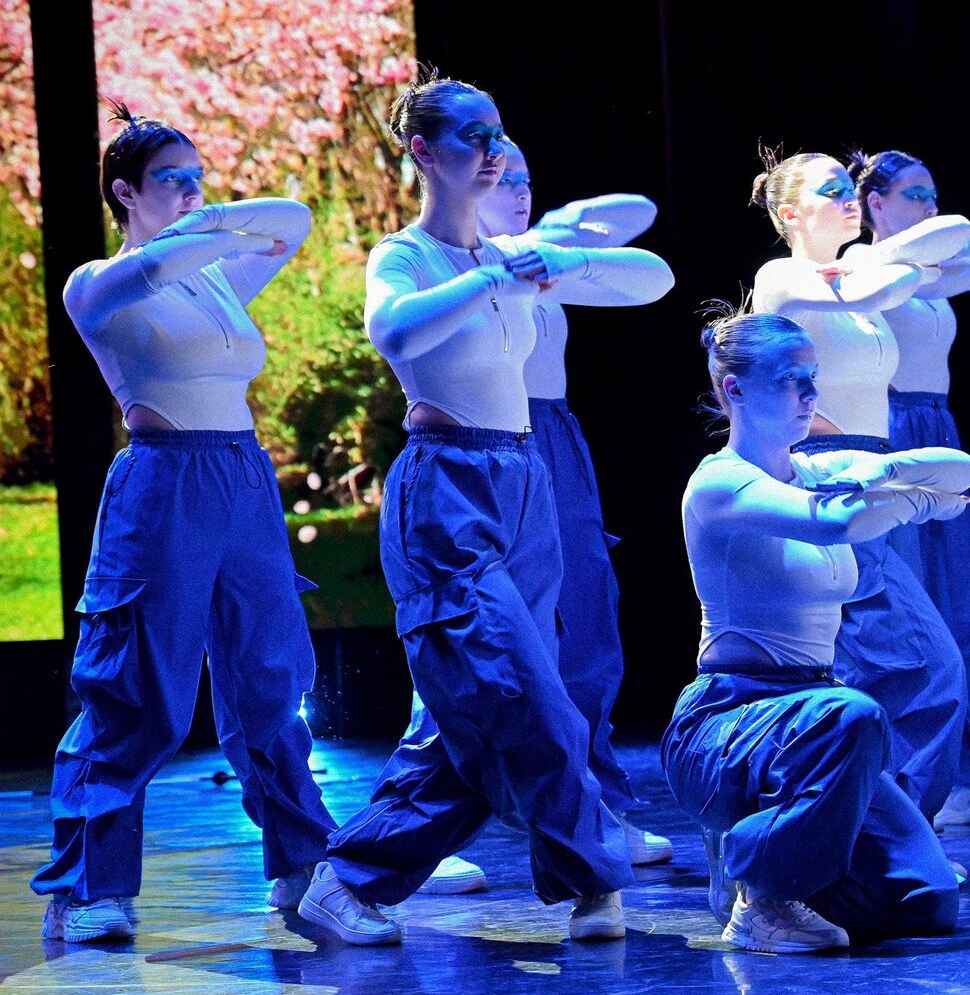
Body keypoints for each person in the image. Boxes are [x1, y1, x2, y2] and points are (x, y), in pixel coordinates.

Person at [297, 75, 631, 944]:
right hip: (447, 486)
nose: (490, 151)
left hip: (524, 485)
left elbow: (652, 277)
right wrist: (488, 275)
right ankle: (590, 877)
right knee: (519, 690)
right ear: (423, 151)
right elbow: (396, 333)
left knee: (488, 706)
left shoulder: (513, 254)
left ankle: (347, 880)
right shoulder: (405, 256)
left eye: (497, 133)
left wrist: (558, 261)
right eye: (472, 136)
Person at [34, 104, 336, 943]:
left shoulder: (213, 278)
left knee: (269, 678)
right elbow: (161, 263)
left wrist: (211, 216)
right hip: (163, 483)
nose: (194, 191)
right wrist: (211, 230)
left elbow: (291, 219)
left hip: (242, 479)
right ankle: (87, 889)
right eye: (171, 179)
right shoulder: (97, 283)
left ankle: (301, 859)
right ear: (124, 193)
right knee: (136, 691)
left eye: (199, 176)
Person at [378, 140, 676, 895]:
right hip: (476, 445)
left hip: (546, 442)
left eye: (524, 178)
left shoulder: (533, 257)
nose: (515, 189)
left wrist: (556, 240)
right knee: (475, 650)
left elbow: (638, 222)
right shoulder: (440, 263)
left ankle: (594, 804)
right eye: (497, 176)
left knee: (585, 627)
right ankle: (424, 831)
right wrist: (506, 250)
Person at [664, 308, 965, 951]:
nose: (810, 393)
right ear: (734, 388)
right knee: (855, 714)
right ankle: (761, 893)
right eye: (789, 379)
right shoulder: (720, 482)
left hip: (812, 715)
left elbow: (959, 468)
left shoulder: (815, 473)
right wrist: (914, 500)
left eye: (812, 377)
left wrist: (885, 473)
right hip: (732, 717)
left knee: (925, 897)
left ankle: (777, 867)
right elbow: (834, 523)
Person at [748, 148, 970, 819]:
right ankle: (865, 821)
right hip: (824, 477)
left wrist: (874, 261)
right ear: (790, 213)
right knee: (896, 660)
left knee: (913, 660)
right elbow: (874, 290)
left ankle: (887, 822)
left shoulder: (856, 274)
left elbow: (955, 233)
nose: (847, 198)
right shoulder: (781, 277)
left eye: (847, 188)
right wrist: (880, 267)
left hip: (874, 471)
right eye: (830, 191)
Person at [850, 148, 970, 828]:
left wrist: (961, 258)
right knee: (910, 611)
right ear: (875, 203)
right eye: (915, 195)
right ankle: (906, 772)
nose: (930, 206)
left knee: (963, 611)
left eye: (933, 194)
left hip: (938, 423)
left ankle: (961, 776)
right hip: (893, 426)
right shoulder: (862, 266)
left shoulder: (926, 273)